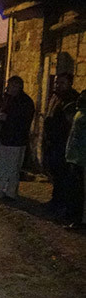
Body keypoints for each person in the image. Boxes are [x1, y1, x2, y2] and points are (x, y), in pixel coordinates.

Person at [0, 76, 35, 201]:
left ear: (19, 87)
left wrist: (8, 118)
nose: (10, 88)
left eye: (14, 86)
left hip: (16, 139)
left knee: (12, 167)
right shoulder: (8, 98)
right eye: (10, 85)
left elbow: (24, 121)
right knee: (1, 166)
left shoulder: (25, 102)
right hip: (6, 137)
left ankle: (10, 192)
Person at [43, 74, 79, 214]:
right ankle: (56, 199)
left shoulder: (72, 99)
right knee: (55, 172)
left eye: (62, 83)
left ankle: (62, 202)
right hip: (53, 140)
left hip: (62, 141)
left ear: (69, 84)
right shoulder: (55, 96)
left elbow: (68, 122)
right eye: (57, 82)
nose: (58, 85)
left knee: (62, 173)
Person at [65, 90, 86, 228]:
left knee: (79, 191)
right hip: (76, 157)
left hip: (80, 158)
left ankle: (80, 220)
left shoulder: (83, 116)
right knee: (75, 190)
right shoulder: (80, 113)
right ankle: (76, 217)